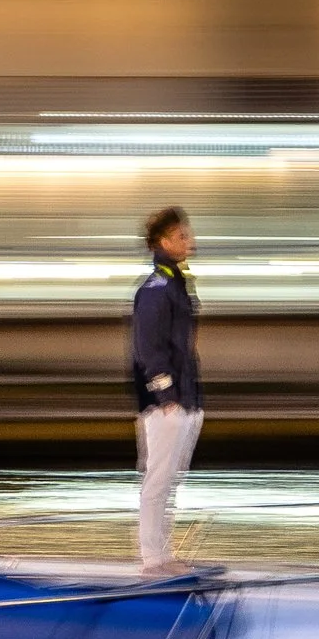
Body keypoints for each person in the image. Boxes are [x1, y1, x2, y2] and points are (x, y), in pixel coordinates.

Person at [129, 204, 203, 574]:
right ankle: (152, 559)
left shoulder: (175, 282)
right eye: (181, 236)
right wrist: (167, 398)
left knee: (170, 481)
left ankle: (164, 556)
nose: (189, 241)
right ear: (163, 242)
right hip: (166, 405)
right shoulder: (157, 289)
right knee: (158, 481)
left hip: (184, 399)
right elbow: (148, 349)